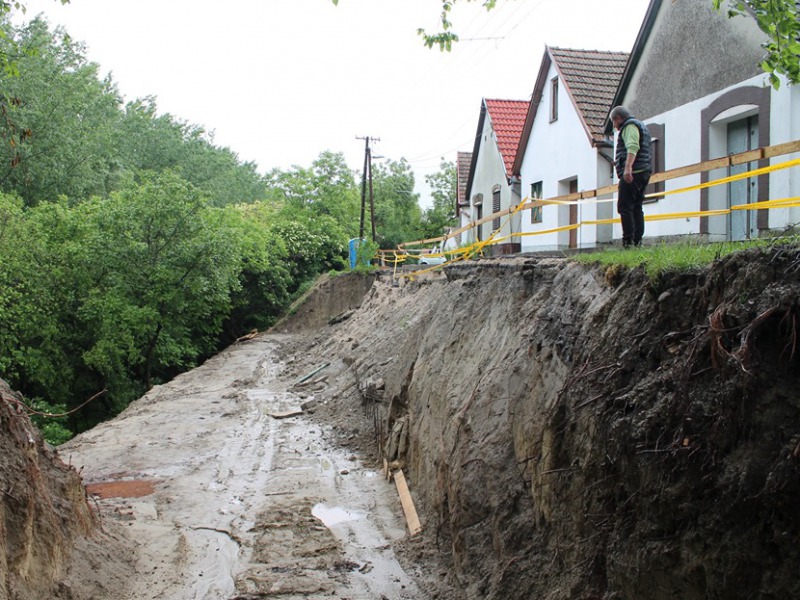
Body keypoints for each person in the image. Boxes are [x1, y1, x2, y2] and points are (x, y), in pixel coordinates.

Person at [610, 106, 652, 248]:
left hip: (634, 173)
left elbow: (633, 146)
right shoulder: (642, 126)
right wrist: (620, 161)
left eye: (613, 122)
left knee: (624, 207)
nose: (614, 127)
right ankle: (637, 241)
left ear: (618, 118)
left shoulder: (629, 126)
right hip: (643, 171)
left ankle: (628, 242)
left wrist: (627, 167)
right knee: (636, 207)